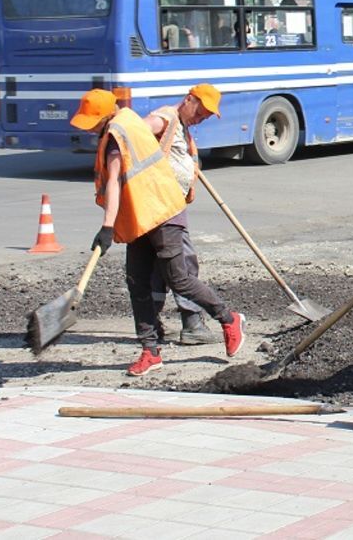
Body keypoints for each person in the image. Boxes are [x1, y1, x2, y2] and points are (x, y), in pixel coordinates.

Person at [70, 89, 245, 377]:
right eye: (200, 112)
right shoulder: (136, 124)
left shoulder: (117, 135)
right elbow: (123, 174)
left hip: (163, 212)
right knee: (137, 282)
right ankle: (150, 351)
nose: (201, 118)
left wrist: (107, 227)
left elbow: (113, 181)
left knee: (179, 278)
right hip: (141, 214)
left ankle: (229, 319)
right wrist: (111, 225)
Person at [143, 84, 223, 346]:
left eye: (208, 115)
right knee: (184, 264)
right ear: (190, 99)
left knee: (157, 267)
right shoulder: (166, 118)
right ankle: (193, 324)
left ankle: (153, 324)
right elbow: (135, 134)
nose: (204, 117)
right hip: (162, 207)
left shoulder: (182, 125)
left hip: (165, 206)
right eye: (202, 111)